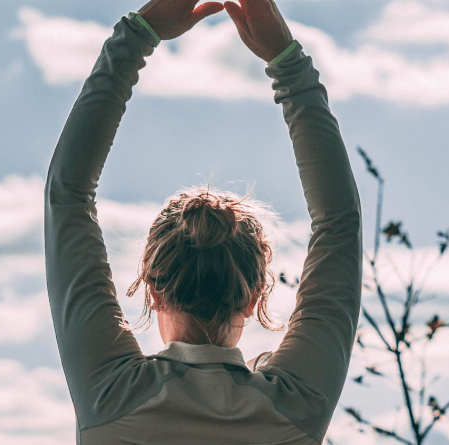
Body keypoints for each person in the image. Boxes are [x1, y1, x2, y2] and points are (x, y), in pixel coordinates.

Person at [43, 0, 362, 442]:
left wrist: (138, 34)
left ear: (152, 289)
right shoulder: (296, 403)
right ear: (255, 295)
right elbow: (339, 223)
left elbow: (67, 196)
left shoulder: (110, 394)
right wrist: (286, 63)